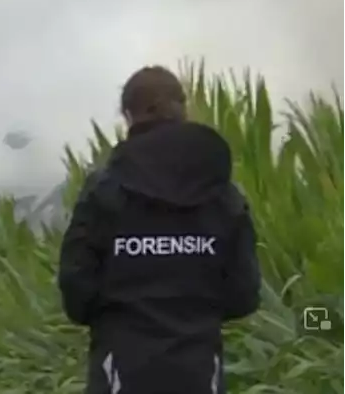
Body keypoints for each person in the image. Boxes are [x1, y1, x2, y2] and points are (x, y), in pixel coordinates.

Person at [58, 66, 261, 394]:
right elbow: (245, 293)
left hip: (120, 371)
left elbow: (76, 291)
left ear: (128, 115)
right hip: (199, 372)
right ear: (184, 107)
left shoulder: (103, 192)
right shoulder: (223, 194)